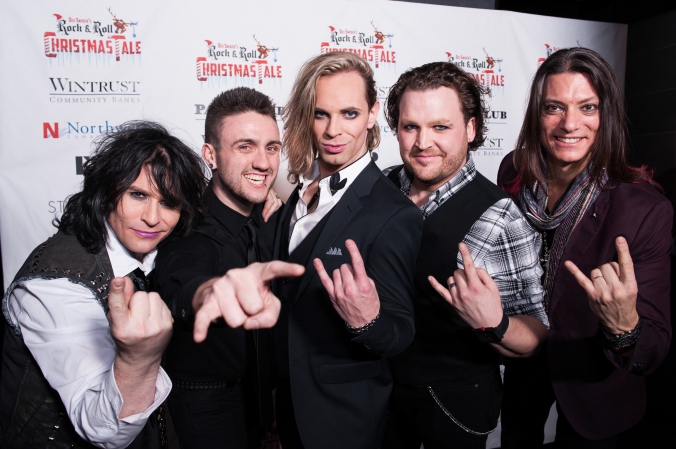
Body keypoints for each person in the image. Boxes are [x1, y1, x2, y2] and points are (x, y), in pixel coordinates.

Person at [194, 51, 423, 449]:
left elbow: (400, 333)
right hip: (282, 411)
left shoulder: (393, 213)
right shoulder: (291, 198)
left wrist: (368, 321)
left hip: (344, 418)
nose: (334, 130)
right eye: (321, 114)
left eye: (349, 114)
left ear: (371, 115)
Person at [498, 47, 672, 448]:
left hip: (596, 381)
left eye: (587, 107)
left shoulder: (644, 209)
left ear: (605, 115)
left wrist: (625, 326)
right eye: (554, 108)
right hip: (524, 361)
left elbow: (654, 345)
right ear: (536, 115)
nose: (569, 124)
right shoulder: (514, 169)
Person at [0, 121, 208, 449]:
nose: (153, 218)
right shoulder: (55, 287)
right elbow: (104, 429)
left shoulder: (149, 253)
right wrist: (140, 358)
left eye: (169, 202)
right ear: (107, 191)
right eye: (138, 195)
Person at [377, 62, 549, 449]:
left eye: (440, 127)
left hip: (455, 400)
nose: (423, 143)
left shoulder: (500, 216)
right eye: (410, 127)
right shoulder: (381, 186)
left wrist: (496, 323)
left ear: (470, 129)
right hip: (382, 390)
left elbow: (536, 333)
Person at [154, 87, 284, 449]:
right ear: (210, 155)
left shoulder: (272, 218)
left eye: (271, 148)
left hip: (262, 400)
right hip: (206, 404)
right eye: (245, 146)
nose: (263, 162)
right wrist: (207, 293)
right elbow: (183, 280)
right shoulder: (187, 229)